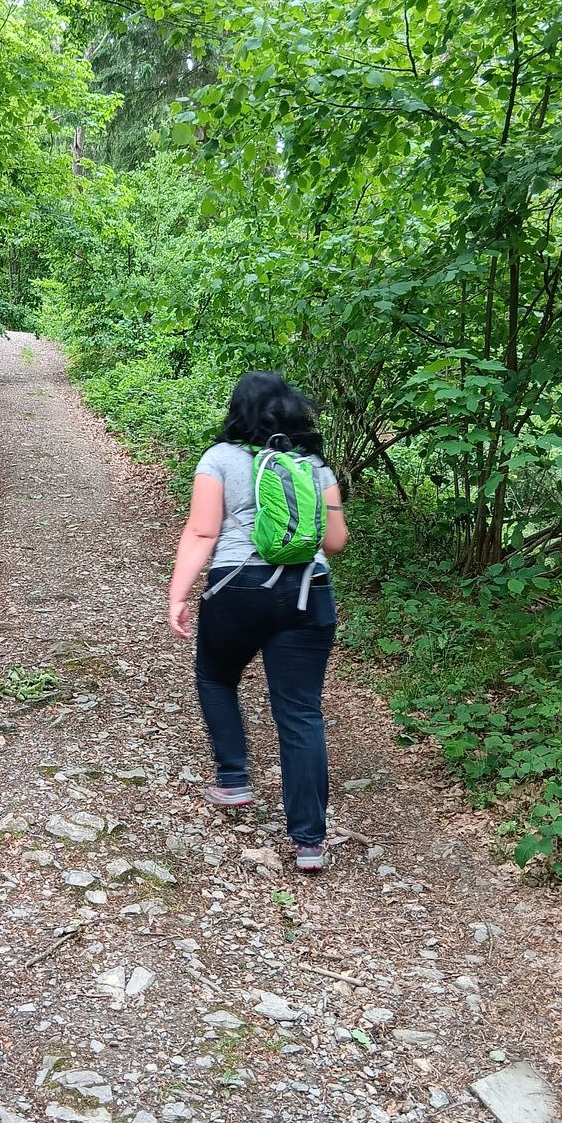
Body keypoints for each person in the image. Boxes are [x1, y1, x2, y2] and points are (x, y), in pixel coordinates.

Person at [167, 371, 349, 871]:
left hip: (239, 587)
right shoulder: (315, 466)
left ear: (238, 411)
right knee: (301, 711)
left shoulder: (220, 459)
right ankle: (310, 842)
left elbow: (202, 532)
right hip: (309, 591)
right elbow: (335, 542)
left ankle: (234, 779)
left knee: (216, 677)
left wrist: (178, 595)